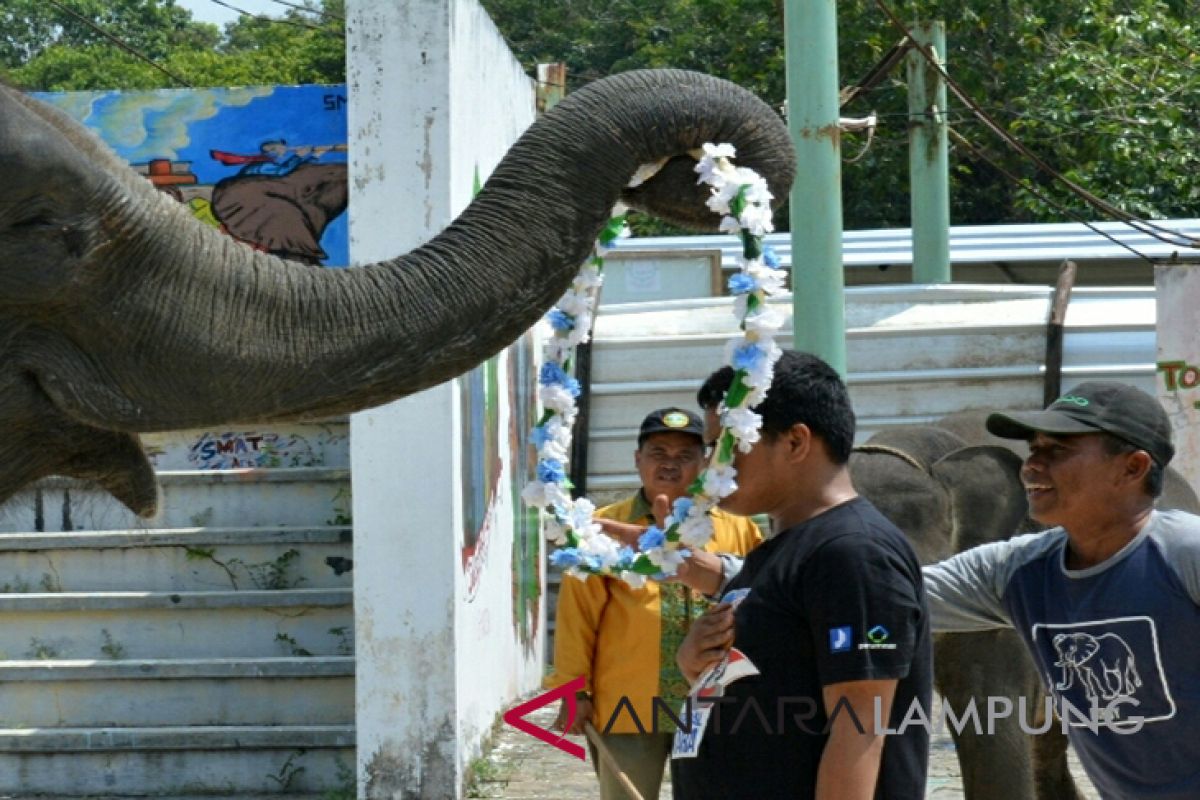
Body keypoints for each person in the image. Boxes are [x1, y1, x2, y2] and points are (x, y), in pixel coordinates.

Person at [673, 351, 933, 799]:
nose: (710, 466)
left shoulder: (853, 552)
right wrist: (696, 665)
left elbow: (860, 727)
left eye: (727, 445)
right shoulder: (776, 553)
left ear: (795, 442)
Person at [922, 381, 1200, 798]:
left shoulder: (1186, 555)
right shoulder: (1018, 572)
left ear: (1133, 467)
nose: (1031, 466)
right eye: (1033, 450)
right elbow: (894, 595)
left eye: (1058, 451)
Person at [544, 407, 762, 800]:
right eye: (658, 452)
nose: (670, 464)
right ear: (637, 459)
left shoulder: (737, 526)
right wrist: (574, 691)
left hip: (716, 703)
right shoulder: (602, 528)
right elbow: (578, 618)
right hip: (629, 702)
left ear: (705, 462)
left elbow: (760, 601)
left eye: (684, 456)